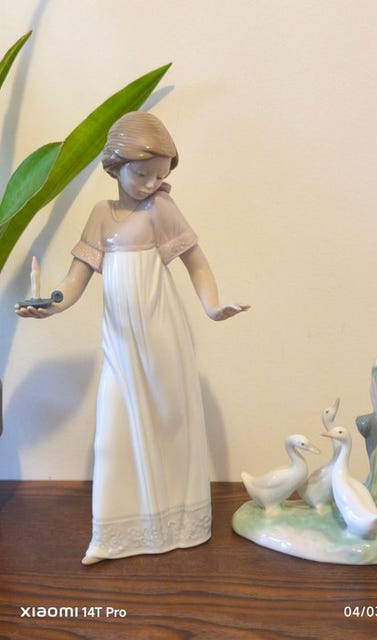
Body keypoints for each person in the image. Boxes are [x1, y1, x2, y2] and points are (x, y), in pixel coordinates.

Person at [16, 111, 249, 564]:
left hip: (162, 336)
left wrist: (212, 306)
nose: (151, 184)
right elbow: (75, 279)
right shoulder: (101, 215)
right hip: (121, 343)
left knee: (170, 425)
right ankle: (111, 535)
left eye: (159, 175)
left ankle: (178, 525)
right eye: (142, 174)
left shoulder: (160, 209)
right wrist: (51, 304)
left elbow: (197, 263)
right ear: (115, 164)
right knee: (112, 436)